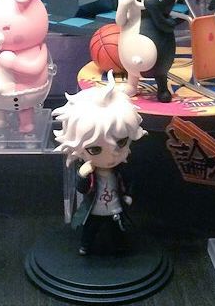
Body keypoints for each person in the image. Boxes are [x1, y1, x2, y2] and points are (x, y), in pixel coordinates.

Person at [53, 72, 147, 255]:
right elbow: (81, 189)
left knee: (117, 231)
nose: (112, 155)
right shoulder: (89, 171)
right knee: (90, 229)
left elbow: (130, 180)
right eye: (95, 149)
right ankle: (85, 246)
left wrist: (128, 195)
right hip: (93, 209)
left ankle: (119, 247)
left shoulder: (120, 170)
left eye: (121, 142)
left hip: (115, 208)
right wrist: (82, 174)